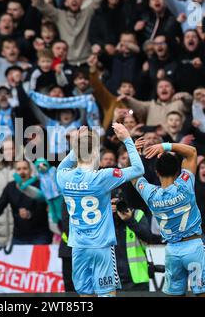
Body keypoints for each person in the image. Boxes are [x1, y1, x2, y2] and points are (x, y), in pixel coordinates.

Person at [56, 123, 144, 297]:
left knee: (85, 297)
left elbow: (68, 161)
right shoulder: (103, 177)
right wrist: (127, 139)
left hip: (78, 248)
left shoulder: (62, 176)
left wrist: (80, 143)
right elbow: (138, 169)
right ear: (96, 152)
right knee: (107, 294)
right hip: (101, 247)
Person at [132, 141, 205, 296]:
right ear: (178, 171)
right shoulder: (185, 184)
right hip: (193, 246)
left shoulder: (151, 195)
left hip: (172, 251)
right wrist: (164, 146)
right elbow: (191, 152)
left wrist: (135, 153)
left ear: (157, 172)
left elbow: (135, 175)